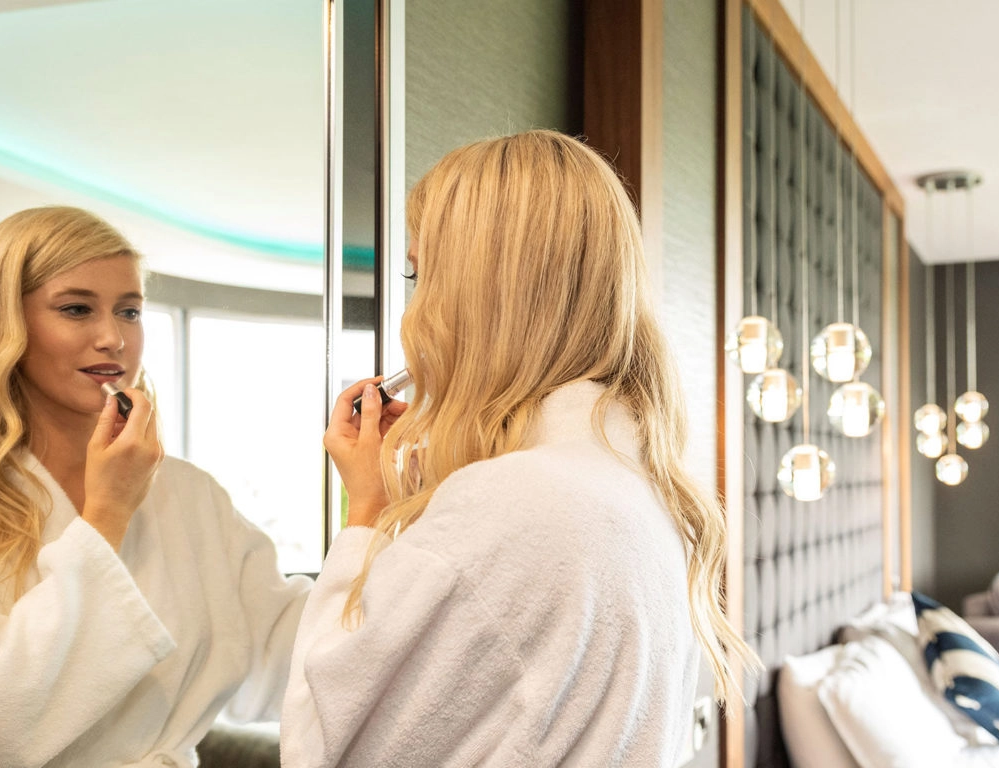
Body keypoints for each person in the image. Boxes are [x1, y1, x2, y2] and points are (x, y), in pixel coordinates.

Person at [280, 130, 759, 767]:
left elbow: (321, 746)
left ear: (479, 293)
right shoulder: (636, 491)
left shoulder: (508, 504)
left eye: (421, 275)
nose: (414, 309)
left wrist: (365, 512)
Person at [0, 206, 312, 767]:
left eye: (129, 312)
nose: (113, 339)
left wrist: (374, 508)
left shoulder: (190, 494)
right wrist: (105, 516)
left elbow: (288, 660)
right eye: (77, 309)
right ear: (6, 324)